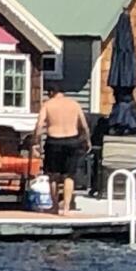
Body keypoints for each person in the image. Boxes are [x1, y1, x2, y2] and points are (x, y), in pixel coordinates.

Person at [37, 81, 89, 211]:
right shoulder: (74, 104)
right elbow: (84, 126)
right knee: (69, 175)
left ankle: (54, 206)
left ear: (50, 93)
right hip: (72, 141)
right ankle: (66, 207)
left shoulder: (48, 105)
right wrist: (87, 141)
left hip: (54, 141)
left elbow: (39, 125)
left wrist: (34, 142)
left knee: (53, 175)